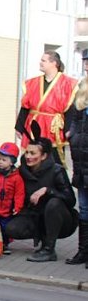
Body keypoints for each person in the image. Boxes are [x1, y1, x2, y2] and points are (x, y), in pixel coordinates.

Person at [5, 124, 78, 262]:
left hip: (61, 219)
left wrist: (47, 190)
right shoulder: (21, 171)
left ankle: (49, 250)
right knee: (11, 229)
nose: (28, 156)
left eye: (33, 153)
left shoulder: (57, 170)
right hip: (34, 215)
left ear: (43, 156)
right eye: (27, 152)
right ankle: (39, 238)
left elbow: (70, 199)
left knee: (54, 203)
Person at [16, 50, 77, 161]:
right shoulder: (33, 83)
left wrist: (68, 130)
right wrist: (19, 127)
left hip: (54, 128)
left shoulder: (67, 83)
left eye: (43, 60)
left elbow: (70, 110)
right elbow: (25, 106)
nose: (40, 63)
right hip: (34, 125)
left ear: (54, 63)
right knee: (31, 157)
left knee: (53, 159)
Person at [66, 77, 88, 265]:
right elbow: (72, 125)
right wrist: (72, 137)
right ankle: (83, 252)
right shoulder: (80, 108)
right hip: (82, 166)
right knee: (84, 210)